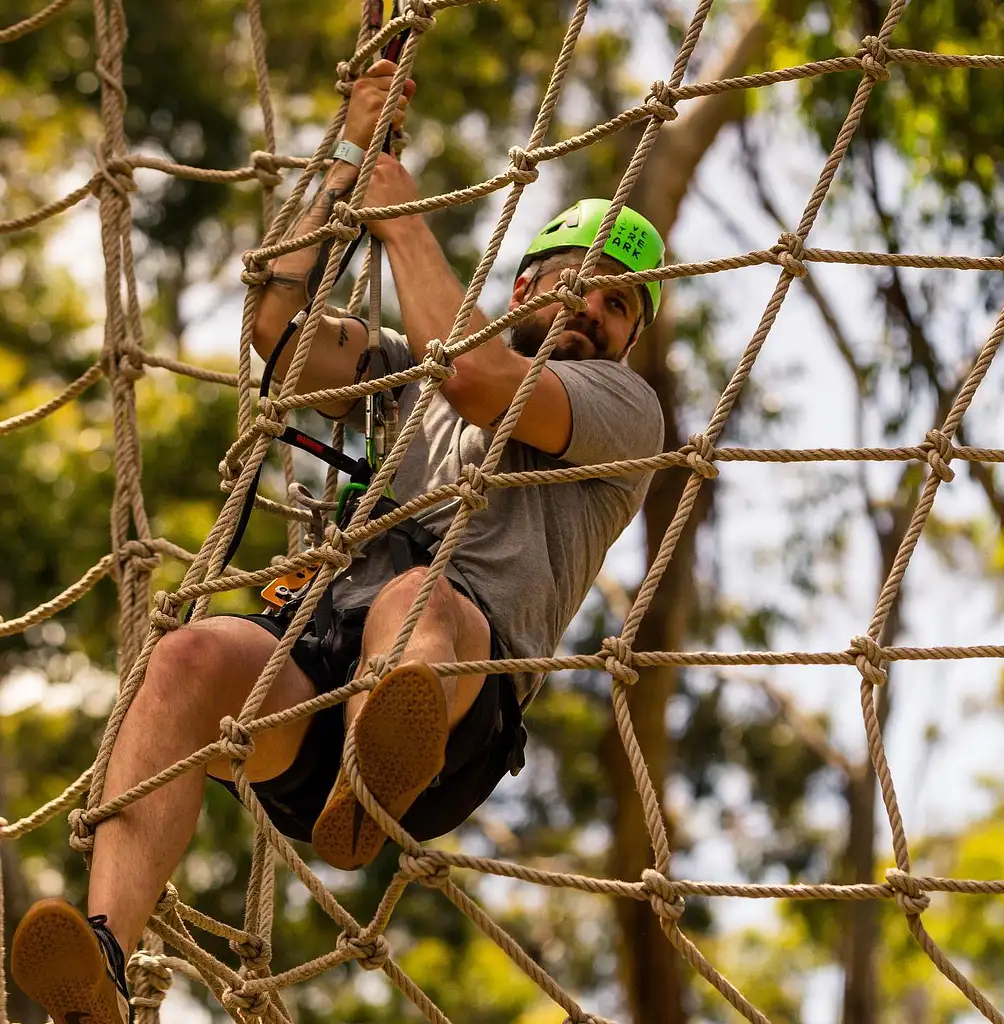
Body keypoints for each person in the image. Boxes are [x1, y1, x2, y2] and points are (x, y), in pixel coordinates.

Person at [9, 60, 666, 1024]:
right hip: (320, 680)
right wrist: (352, 151)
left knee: (420, 599)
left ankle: (379, 764)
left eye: (619, 307)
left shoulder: (621, 409)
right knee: (187, 656)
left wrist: (400, 214)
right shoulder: (396, 384)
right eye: (582, 285)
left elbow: (482, 380)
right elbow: (277, 337)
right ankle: (104, 965)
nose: (595, 313)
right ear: (526, 283)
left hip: (456, 717)